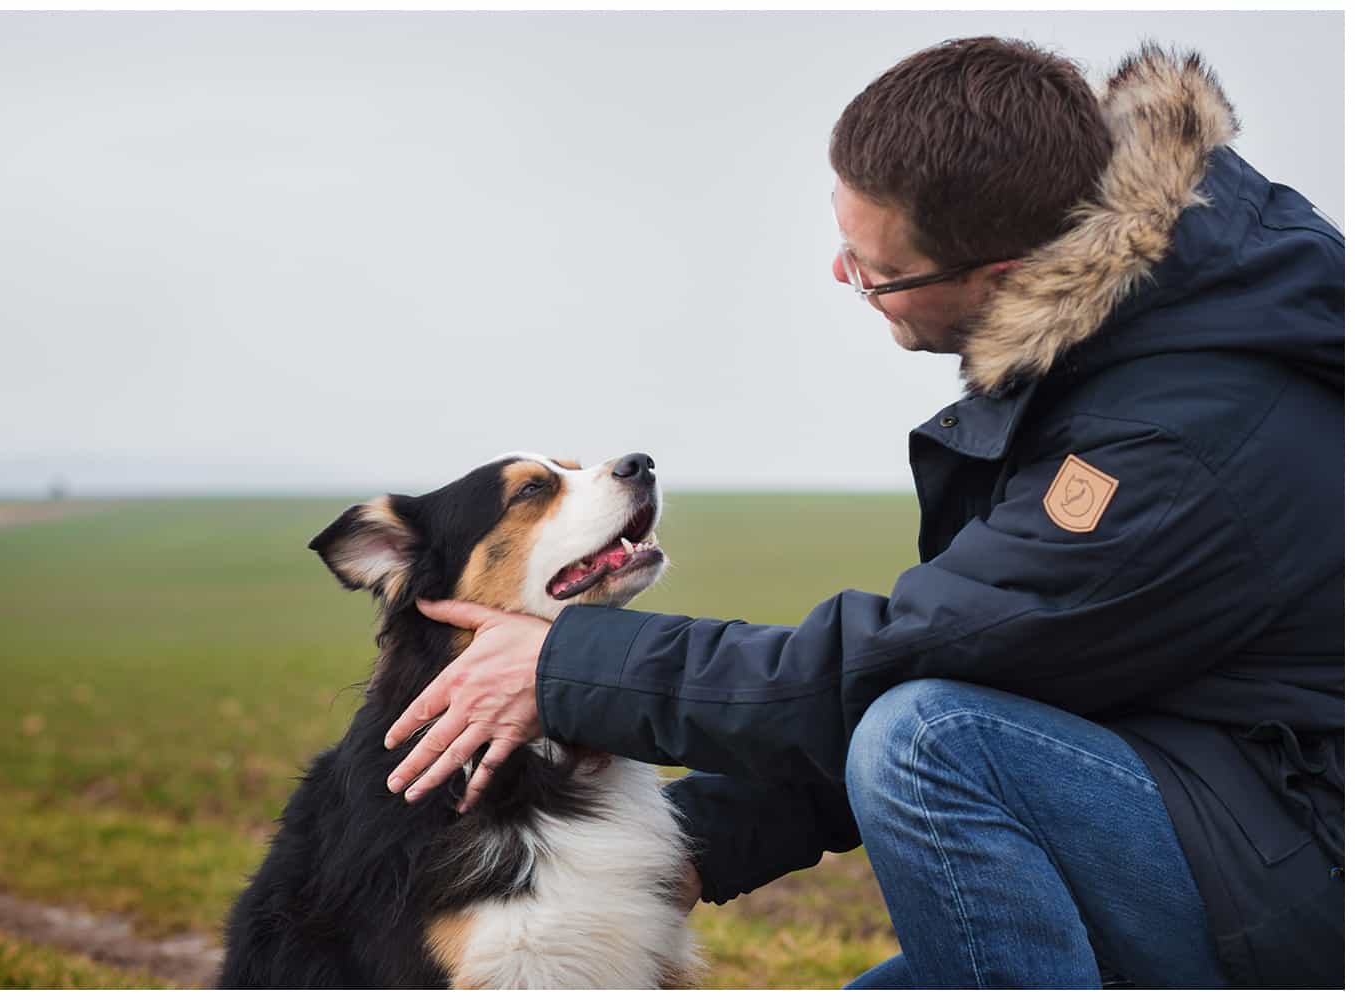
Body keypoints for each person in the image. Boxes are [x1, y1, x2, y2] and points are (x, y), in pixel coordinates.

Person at [381, 38, 1343, 987]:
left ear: (1002, 275)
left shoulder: (1178, 434)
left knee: (926, 739)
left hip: (1301, 890)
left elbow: (931, 658)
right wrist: (693, 849)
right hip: (1206, 814)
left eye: (875, 265)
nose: (845, 277)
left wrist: (571, 666)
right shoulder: (1123, 347)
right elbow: (1016, 664)